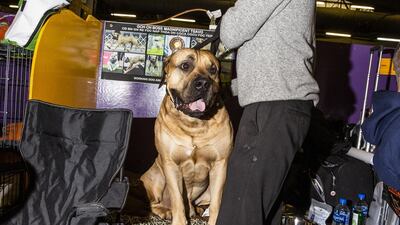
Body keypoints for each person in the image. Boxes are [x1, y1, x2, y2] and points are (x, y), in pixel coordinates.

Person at [216, 1, 319, 225]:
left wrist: (223, 20)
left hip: (275, 108)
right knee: (258, 209)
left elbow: (232, 31)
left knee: (240, 212)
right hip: (278, 105)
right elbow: (276, 64)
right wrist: (224, 90)